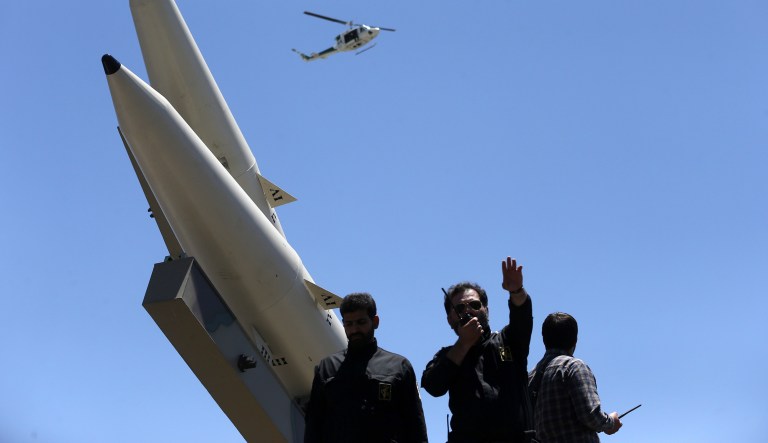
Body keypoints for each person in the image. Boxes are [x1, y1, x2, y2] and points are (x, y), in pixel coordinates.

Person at [421, 257, 534, 443]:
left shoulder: (508, 341)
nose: (469, 311)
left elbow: (522, 318)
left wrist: (516, 291)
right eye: (460, 308)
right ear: (450, 319)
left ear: (486, 310)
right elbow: (433, 386)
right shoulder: (446, 355)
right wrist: (464, 344)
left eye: (474, 305)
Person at [304, 292, 428, 443]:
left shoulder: (399, 367)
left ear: (375, 321)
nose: (354, 329)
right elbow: (314, 426)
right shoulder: (327, 368)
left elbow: (415, 426)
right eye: (349, 324)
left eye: (361, 322)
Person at [528, 312, 622, 442]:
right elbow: (590, 415)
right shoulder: (574, 366)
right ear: (575, 340)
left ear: (544, 339)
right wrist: (611, 422)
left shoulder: (531, 376)